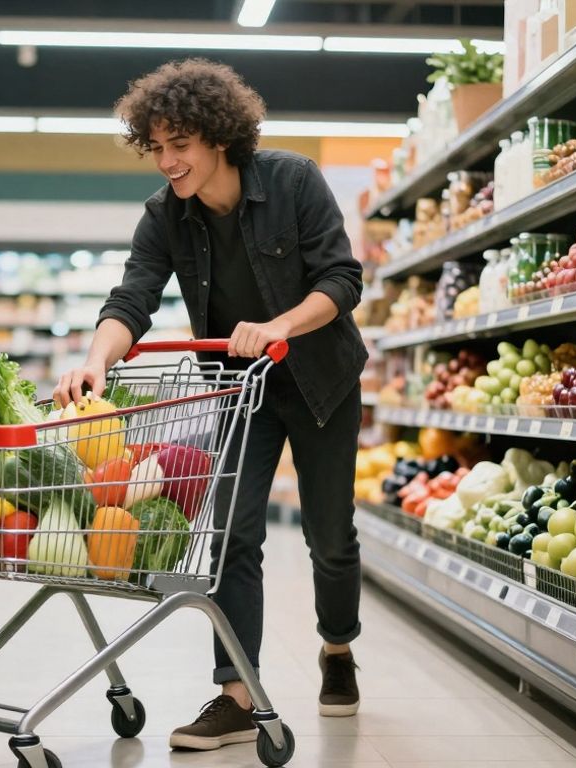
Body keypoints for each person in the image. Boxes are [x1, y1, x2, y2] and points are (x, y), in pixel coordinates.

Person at [52, 58, 369, 752]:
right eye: (156, 147)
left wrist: (281, 325)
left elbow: (344, 278)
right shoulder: (165, 217)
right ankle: (236, 694)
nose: (167, 162)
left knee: (329, 537)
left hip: (321, 380)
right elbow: (131, 297)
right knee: (231, 535)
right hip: (240, 390)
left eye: (180, 145)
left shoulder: (293, 181)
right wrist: (96, 359)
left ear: (219, 137)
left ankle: (338, 648)